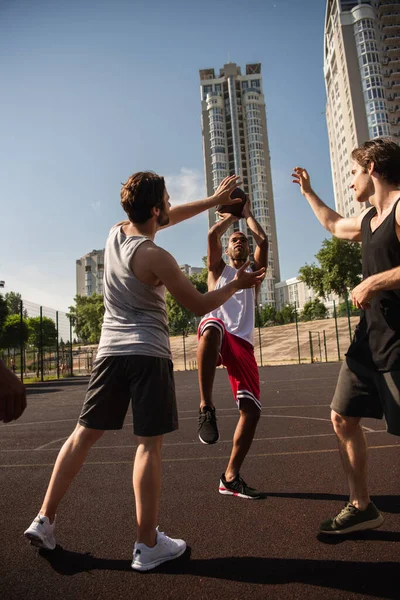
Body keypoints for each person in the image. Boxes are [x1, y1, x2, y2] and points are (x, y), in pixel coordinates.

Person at [24, 172, 265, 571]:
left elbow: (172, 217)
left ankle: (44, 518)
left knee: (82, 436)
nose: (172, 206)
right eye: (167, 200)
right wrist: (236, 285)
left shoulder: (115, 233)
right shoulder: (157, 258)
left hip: (109, 353)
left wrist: (212, 201)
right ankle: (146, 543)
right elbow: (200, 304)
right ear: (155, 209)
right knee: (148, 446)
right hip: (148, 354)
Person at [292, 137, 400, 535]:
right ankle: (361, 505)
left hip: (398, 342)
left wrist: (374, 281)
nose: (351, 180)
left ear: (372, 167)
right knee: (342, 417)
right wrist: (308, 192)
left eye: (354, 171)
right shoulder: (371, 219)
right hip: (367, 341)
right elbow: (335, 225)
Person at [197, 196, 268, 499]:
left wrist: (247, 214)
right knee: (212, 325)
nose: (238, 241)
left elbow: (262, 240)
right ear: (226, 250)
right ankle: (206, 407)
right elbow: (212, 235)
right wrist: (230, 216)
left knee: (252, 412)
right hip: (218, 334)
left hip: (244, 346)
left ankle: (230, 477)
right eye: (234, 241)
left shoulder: (253, 275)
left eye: (242, 240)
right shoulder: (217, 271)